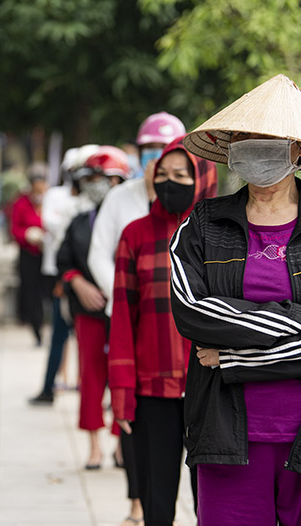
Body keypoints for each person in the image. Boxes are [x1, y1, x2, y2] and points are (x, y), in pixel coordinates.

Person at [170, 74, 301, 526]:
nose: (255, 148)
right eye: (245, 138)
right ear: (230, 146)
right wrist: (295, 316)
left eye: (271, 139)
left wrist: (236, 358)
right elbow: (192, 311)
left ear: (299, 149)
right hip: (227, 438)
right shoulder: (202, 226)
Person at [110, 136, 217, 526]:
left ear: (202, 178)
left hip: (210, 389)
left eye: (181, 175)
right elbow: (122, 319)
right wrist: (121, 393)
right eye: (163, 175)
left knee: (213, 502)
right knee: (156, 507)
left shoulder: (218, 237)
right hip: (151, 391)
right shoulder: (135, 236)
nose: (170, 183)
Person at [57, 145, 129, 473]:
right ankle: (94, 446)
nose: (99, 184)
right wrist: (78, 283)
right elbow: (64, 261)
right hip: (89, 313)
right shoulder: (79, 222)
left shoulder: (134, 220)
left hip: (126, 313)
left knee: (123, 378)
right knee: (91, 377)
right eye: (93, 178)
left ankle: (121, 445)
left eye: (106, 178)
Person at [88, 112, 185, 316]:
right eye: (150, 149)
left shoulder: (189, 198)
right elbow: (98, 254)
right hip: (124, 307)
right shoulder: (118, 196)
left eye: (164, 149)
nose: (156, 155)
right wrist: (123, 294)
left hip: (175, 311)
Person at [29, 145, 97, 405]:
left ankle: (89, 390)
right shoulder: (66, 202)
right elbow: (56, 236)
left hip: (91, 282)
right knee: (59, 335)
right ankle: (49, 387)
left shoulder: (94, 204)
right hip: (64, 279)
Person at [10, 164, 49, 345]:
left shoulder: (51, 201)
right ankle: (36, 327)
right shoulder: (22, 203)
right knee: (31, 292)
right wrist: (27, 234)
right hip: (29, 253)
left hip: (48, 253)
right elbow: (15, 229)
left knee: (48, 290)